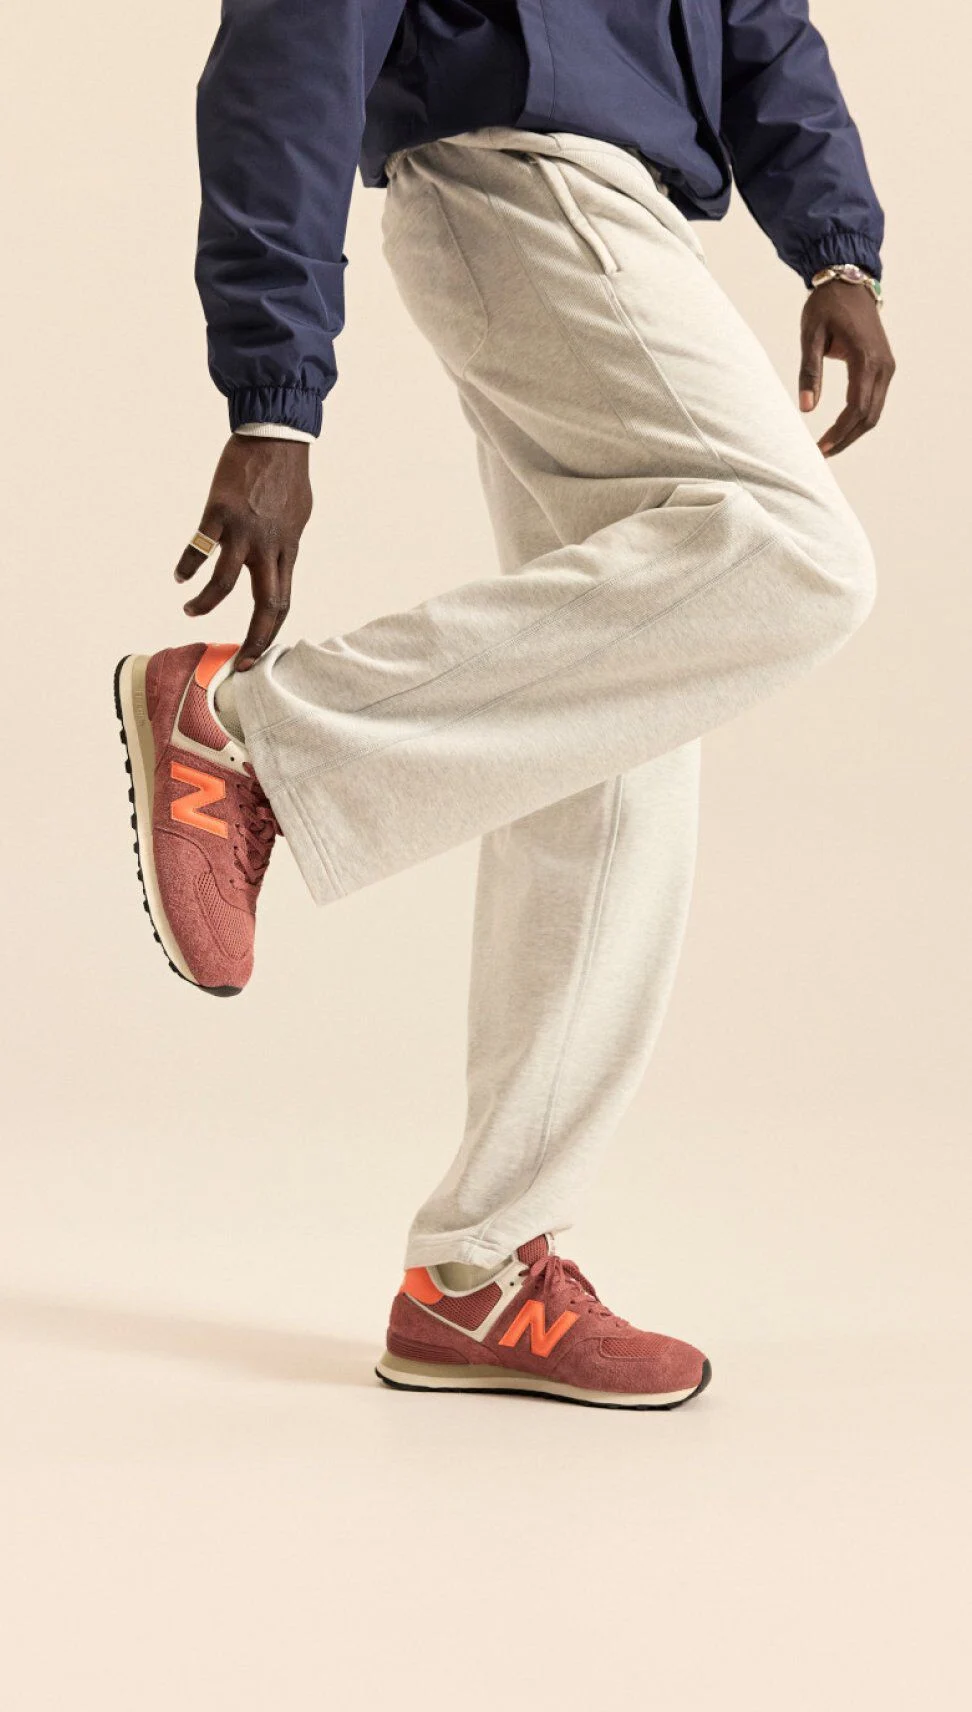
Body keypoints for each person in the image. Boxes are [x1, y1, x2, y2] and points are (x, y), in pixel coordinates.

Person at [114, 0, 895, 1410]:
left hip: (631, 210)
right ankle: (261, 744)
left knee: (615, 734)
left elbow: (759, 22)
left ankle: (477, 1272)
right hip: (522, 177)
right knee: (799, 554)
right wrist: (273, 403)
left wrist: (836, 242)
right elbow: (291, 51)